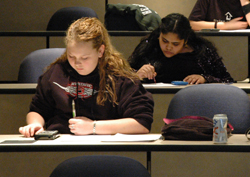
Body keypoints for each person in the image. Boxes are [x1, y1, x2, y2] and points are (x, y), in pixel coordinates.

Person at [19, 17, 154, 137]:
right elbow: (38, 110)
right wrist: (35, 124)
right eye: (71, 56)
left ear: (100, 51)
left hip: (105, 147)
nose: (77, 63)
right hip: (60, 145)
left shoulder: (120, 77)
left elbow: (141, 123)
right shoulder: (56, 73)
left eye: (85, 57)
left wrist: (93, 127)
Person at [128, 13, 234, 84]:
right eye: (164, 41)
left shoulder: (201, 51)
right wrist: (136, 75)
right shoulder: (148, 47)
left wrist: (205, 78)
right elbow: (120, 78)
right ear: (159, 35)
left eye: (175, 44)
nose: (169, 47)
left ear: (186, 40)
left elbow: (227, 80)